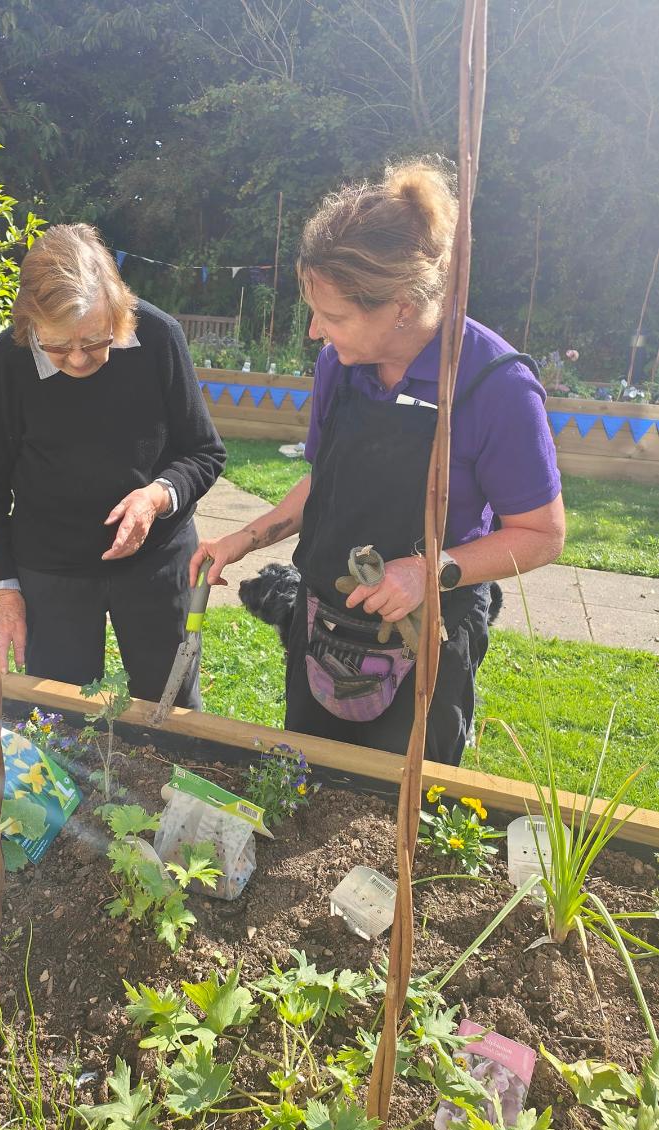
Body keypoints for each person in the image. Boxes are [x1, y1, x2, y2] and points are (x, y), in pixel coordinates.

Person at [191, 160, 565, 765]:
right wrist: (243, 539)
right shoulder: (339, 366)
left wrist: (426, 572)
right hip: (323, 623)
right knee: (305, 786)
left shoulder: (494, 384)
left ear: (398, 306)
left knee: (397, 816)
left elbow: (543, 535)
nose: (315, 331)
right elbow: (324, 481)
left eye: (333, 316)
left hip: (425, 638)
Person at [0, 223, 225, 706]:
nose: (76, 360)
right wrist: (3, 588)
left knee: (169, 708)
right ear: (29, 324)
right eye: (56, 345)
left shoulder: (158, 338)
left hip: (156, 560)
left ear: (119, 311)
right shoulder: (9, 360)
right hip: (52, 567)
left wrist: (156, 497)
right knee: (56, 711)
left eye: (93, 342)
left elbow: (203, 451)